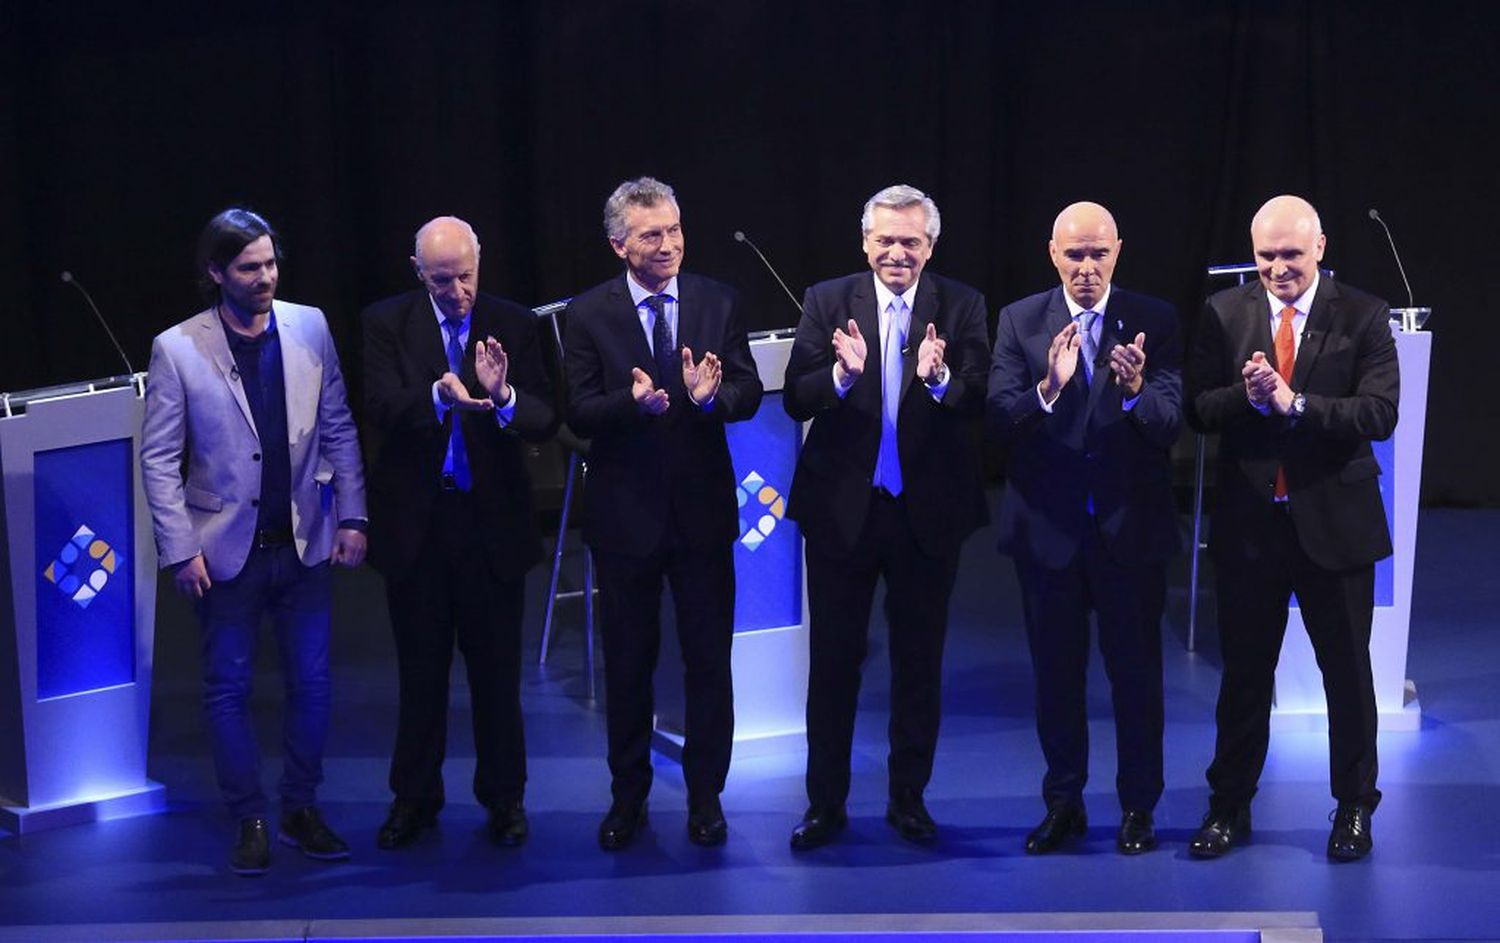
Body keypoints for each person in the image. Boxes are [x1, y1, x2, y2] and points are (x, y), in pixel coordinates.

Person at [140, 208, 367, 876]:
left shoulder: (310, 326)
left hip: (302, 540)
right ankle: (250, 817)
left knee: (314, 682)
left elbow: (338, 426)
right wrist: (180, 548)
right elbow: (158, 459)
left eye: (271, 263)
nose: (265, 276)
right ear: (217, 273)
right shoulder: (178, 348)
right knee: (227, 686)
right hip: (224, 549)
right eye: (249, 267)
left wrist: (352, 514)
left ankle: (300, 806)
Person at [1186, 194, 1399, 861]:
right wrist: (1246, 398)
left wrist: (1294, 401)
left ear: (1321, 248)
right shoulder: (1225, 312)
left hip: (1334, 525)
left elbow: (1379, 413)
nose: (1278, 268)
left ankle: (1354, 807)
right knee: (1245, 674)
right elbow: (1198, 408)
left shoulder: (1362, 314)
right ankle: (1229, 804)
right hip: (1252, 529)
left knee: (1346, 674)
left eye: (1291, 255)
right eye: (1265, 256)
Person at [782, 184, 989, 849]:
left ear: (930, 246)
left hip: (926, 515)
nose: (898, 252)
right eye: (886, 240)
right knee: (834, 665)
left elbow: (979, 397)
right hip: (844, 512)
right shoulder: (825, 301)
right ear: (865, 241)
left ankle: (908, 800)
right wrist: (840, 379)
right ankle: (825, 805)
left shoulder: (961, 306)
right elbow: (795, 397)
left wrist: (938, 380)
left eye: (911, 241)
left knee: (918, 663)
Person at [564, 177, 763, 850]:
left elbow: (747, 390)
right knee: (628, 663)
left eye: (675, 229)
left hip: (703, 515)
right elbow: (578, 410)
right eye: (652, 234)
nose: (669, 244)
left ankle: (707, 796)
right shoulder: (588, 315)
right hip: (625, 519)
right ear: (620, 243)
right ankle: (629, 797)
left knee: (709, 661)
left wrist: (711, 399)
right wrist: (633, 404)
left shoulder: (717, 300)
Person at [987, 201, 1183, 855]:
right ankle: (1063, 803)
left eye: (1099, 252)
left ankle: (1138, 809)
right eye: (1075, 253)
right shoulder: (1020, 320)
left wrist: (1133, 392)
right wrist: (1048, 386)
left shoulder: (1155, 320)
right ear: (1053, 254)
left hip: (1130, 534)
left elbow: (1169, 424)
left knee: (1136, 678)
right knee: (1056, 678)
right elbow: (1000, 421)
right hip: (1050, 534)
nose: (1087, 266)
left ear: (1118, 252)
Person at [361, 216, 558, 851]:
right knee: (421, 677)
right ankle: (413, 799)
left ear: (480, 263)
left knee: (498, 678)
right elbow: (382, 407)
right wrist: (438, 398)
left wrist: (502, 397)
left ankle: (506, 801)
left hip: (489, 527)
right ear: (418, 272)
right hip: (419, 528)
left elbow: (546, 418)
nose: (457, 292)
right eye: (442, 280)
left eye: (465, 277)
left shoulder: (516, 324)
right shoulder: (386, 323)